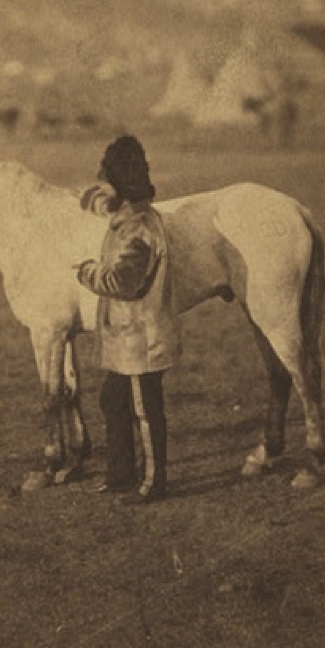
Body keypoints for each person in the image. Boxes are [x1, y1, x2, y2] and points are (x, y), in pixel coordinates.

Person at [74, 135, 181, 505]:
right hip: (125, 338)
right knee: (112, 400)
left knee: (145, 411)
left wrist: (87, 272)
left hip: (141, 339)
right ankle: (121, 475)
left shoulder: (140, 228)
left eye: (106, 176)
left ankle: (154, 482)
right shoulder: (130, 217)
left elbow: (123, 282)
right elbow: (91, 199)